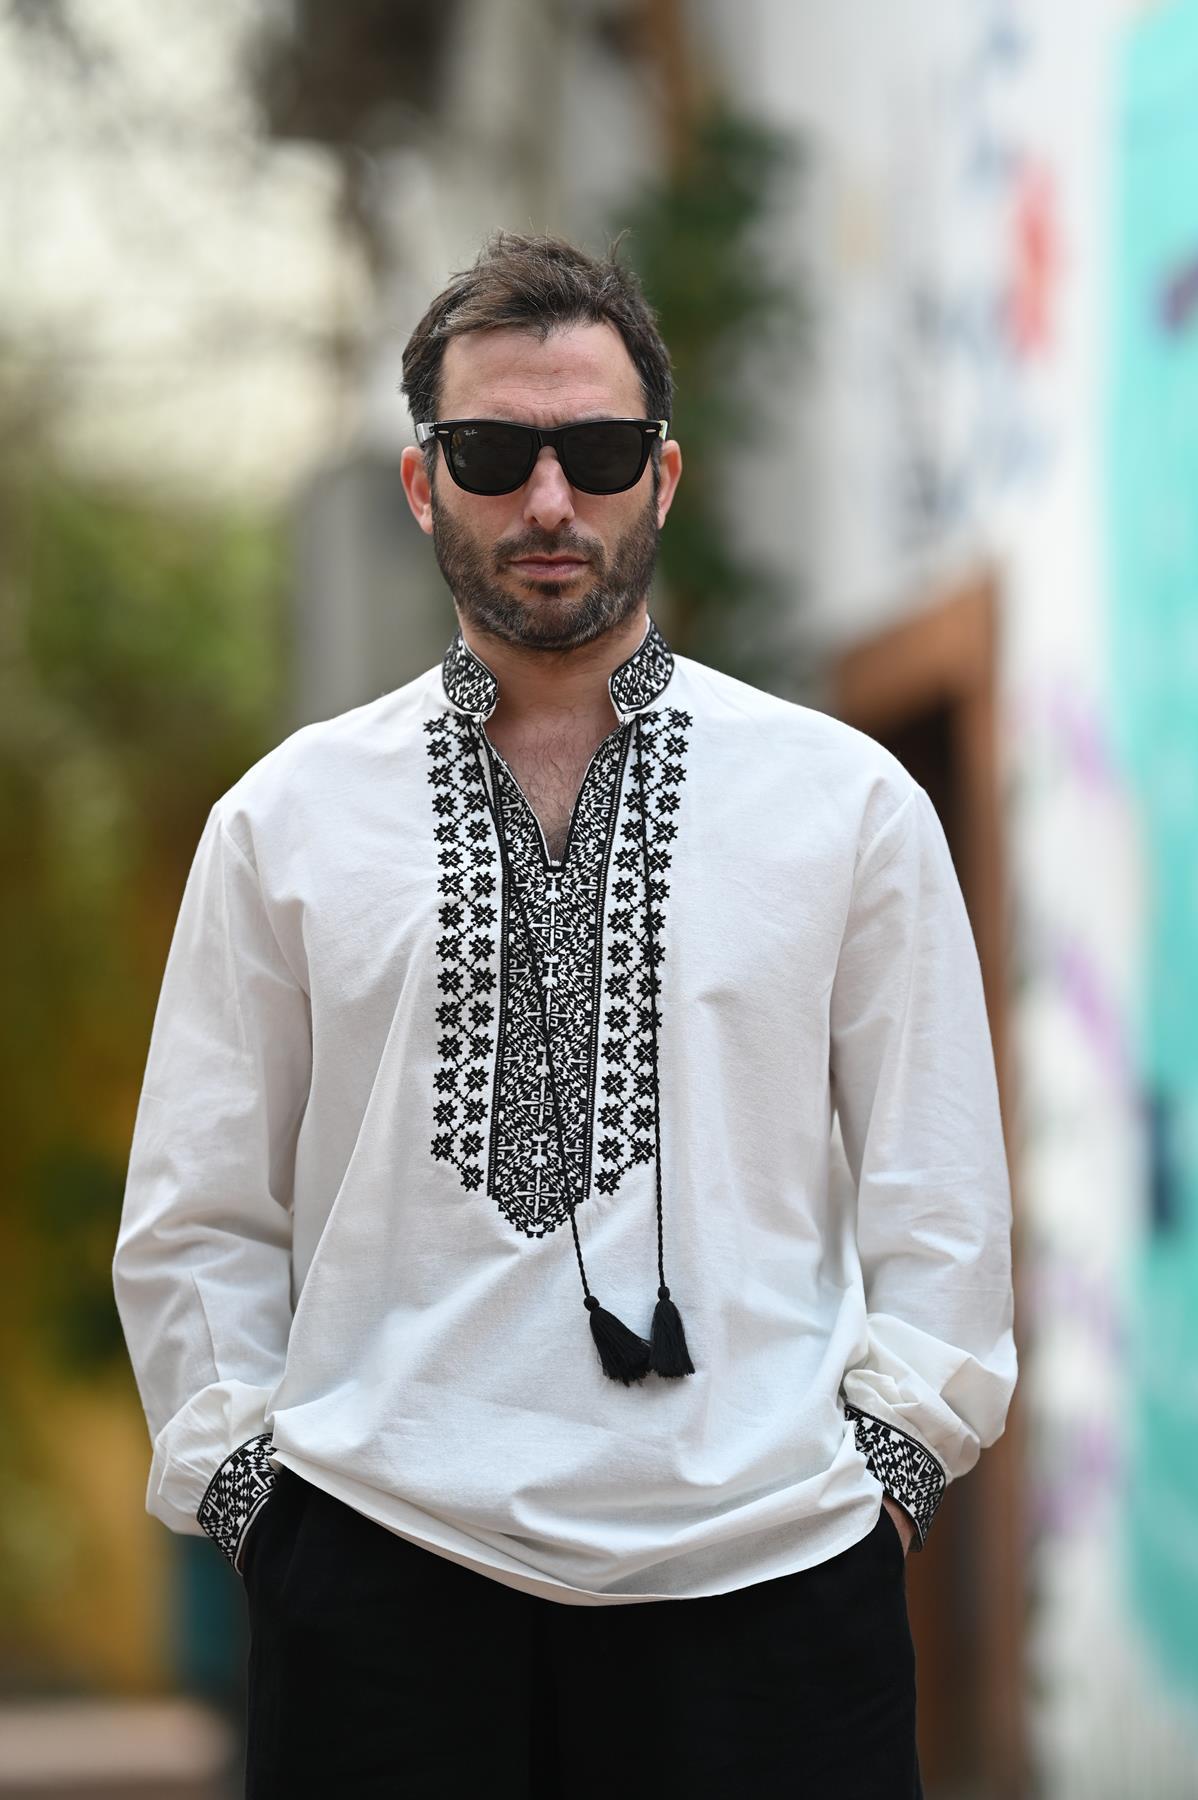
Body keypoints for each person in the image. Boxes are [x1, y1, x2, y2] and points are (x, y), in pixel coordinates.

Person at [112, 229, 1018, 1798]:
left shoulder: (844, 805)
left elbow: (938, 1197)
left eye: (594, 454)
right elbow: (198, 1211)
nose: (547, 500)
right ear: (423, 483)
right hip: (383, 1589)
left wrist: (883, 1476)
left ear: (660, 476)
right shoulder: (286, 822)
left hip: (767, 1591)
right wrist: (262, 1506)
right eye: (492, 453)